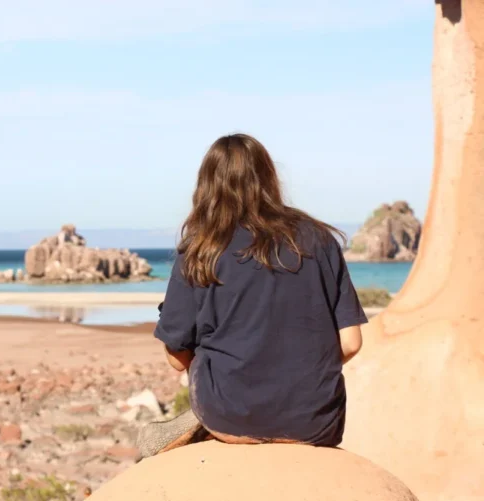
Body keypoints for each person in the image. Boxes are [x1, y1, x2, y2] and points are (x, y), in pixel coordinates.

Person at [136, 134, 368, 458]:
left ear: (206, 186)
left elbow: (176, 359)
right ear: (269, 177)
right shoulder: (319, 239)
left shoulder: (200, 248)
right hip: (316, 423)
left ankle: (205, 419)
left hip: (229, 416)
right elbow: (351, 342)